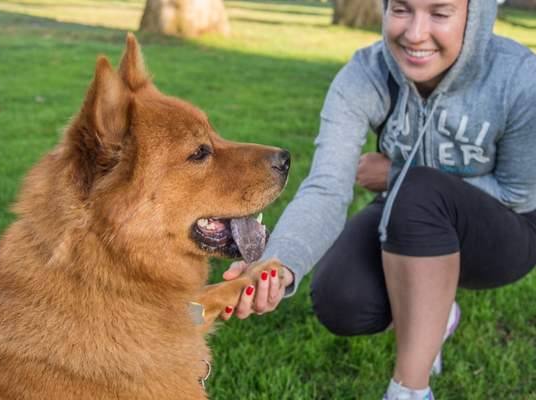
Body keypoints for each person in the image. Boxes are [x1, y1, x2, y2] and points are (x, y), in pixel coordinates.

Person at [222, 0, 536, 398]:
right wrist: (278, 263)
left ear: (476, 16)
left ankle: (409, 390)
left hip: (505, 235)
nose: (415, 33)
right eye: (401, 9)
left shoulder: (518, 76)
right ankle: (437, 316)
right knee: (341, 299)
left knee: (418, 191)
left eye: (440, 14)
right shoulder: (366, 74)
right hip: (407, 214)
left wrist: (394, 174)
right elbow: (327, 186)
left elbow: (518, 194)